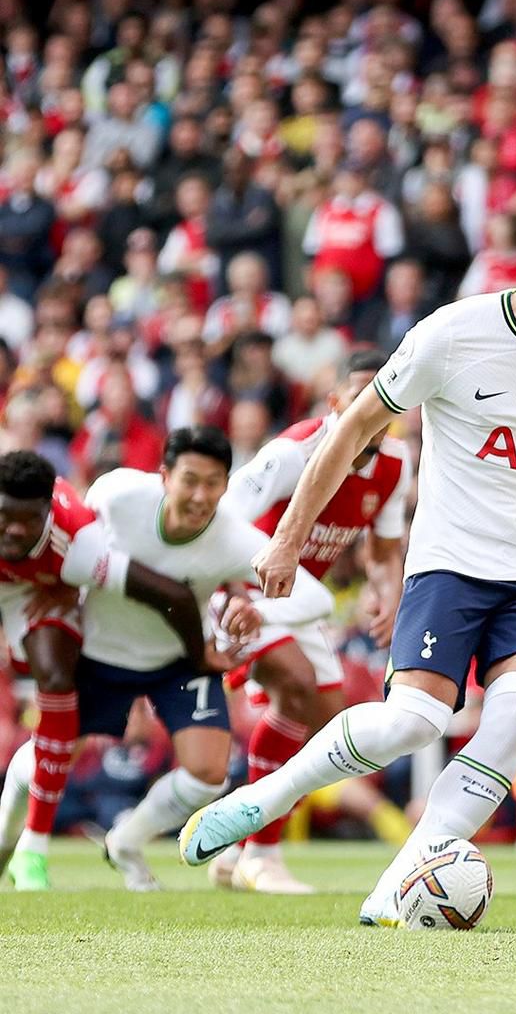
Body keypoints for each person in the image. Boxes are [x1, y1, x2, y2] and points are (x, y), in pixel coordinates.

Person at [179, 200, 516, 928]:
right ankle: (266, 797)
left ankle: (397, 889)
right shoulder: (452, 336)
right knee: (415, 721)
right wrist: (287, 539)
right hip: (449, 564)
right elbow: (352, 429)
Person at [0, 428, 334, 891]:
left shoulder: (236, 540)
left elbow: (319, 600)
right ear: (164, 477)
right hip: (100, 654)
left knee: (209, 774)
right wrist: (58, 585)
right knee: (47, 760)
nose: (200, 495)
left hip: (181, 659)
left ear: (225, 484)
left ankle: (125, 841)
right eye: (190, 480)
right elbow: (74, 540)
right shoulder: (117, 494)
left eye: (213, 483)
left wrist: (259, 609)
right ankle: (7, 838)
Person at [205, 349, 411, 894]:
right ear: (336, 401)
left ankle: (237, 847)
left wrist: (386, 592)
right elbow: (219, 523)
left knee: (323, 721)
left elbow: (385, 549)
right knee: (295, 688)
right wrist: (226, 595)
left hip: (300, 602)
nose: (371, 407)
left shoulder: (395, 464)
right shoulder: (294, 452)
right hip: (245, 589)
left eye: (382, 396)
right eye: (360, 394)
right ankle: (262, 856)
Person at [0, 449, 213, 890]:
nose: (17, 529)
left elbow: (162, 590)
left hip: (37, 592)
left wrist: (200, 655)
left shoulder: (80, 544)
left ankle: (32, 851)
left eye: (29, 519)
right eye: (5, 516)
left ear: (46, 512)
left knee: (56, 679)